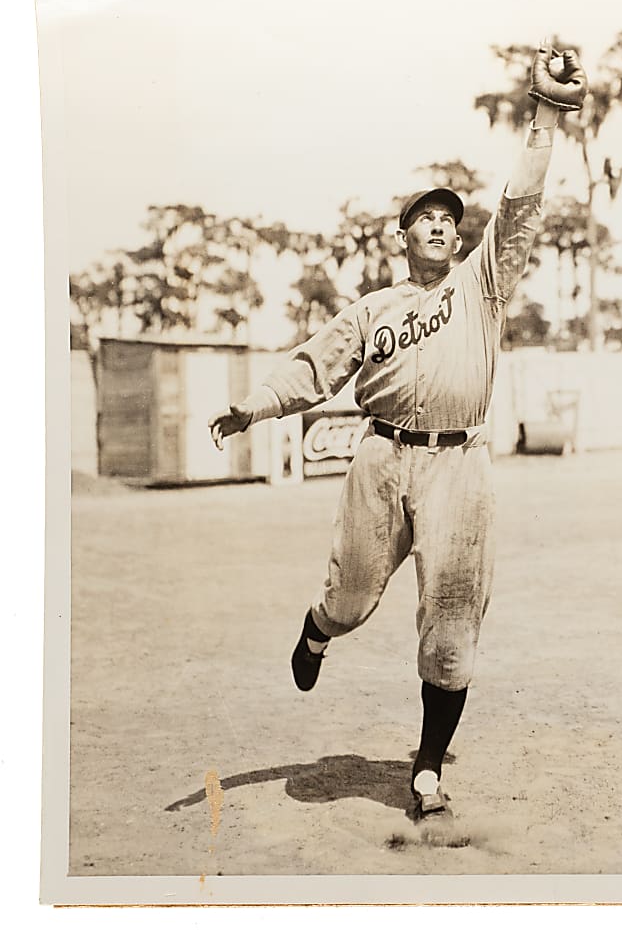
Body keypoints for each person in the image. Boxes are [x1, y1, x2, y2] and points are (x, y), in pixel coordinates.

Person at [209, 42, 588, 823]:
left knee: (453, 623)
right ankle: (317, 633)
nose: (443, 228)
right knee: (350, 601)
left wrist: (547, 114)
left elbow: (517, 206)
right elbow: (314, 369)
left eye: (451, 220)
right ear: (403, 236)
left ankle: (423, 769)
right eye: (428, 220)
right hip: (380, 458)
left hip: (459, 466)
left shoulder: (483, 284)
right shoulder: (373, 311)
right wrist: (255, 406)